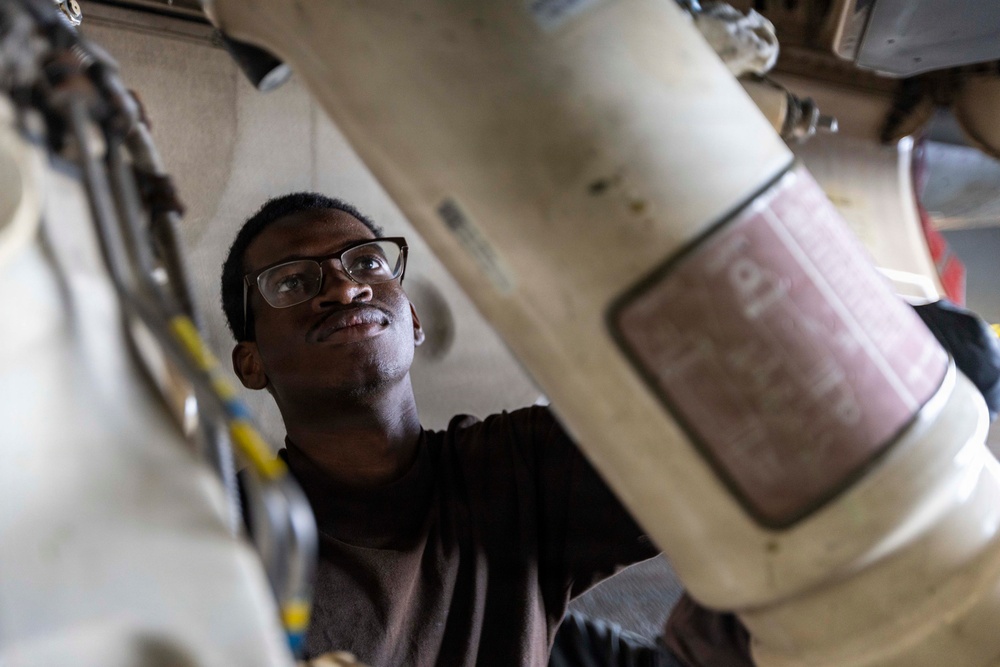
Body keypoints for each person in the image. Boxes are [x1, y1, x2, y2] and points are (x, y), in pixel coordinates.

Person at [220, 192, 699, 666]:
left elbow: (704, 429)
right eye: (292, 282)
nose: (346, 289)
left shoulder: (517, 470)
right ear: (251, 364)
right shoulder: (220, 535)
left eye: (367, 263)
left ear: (413, 319)